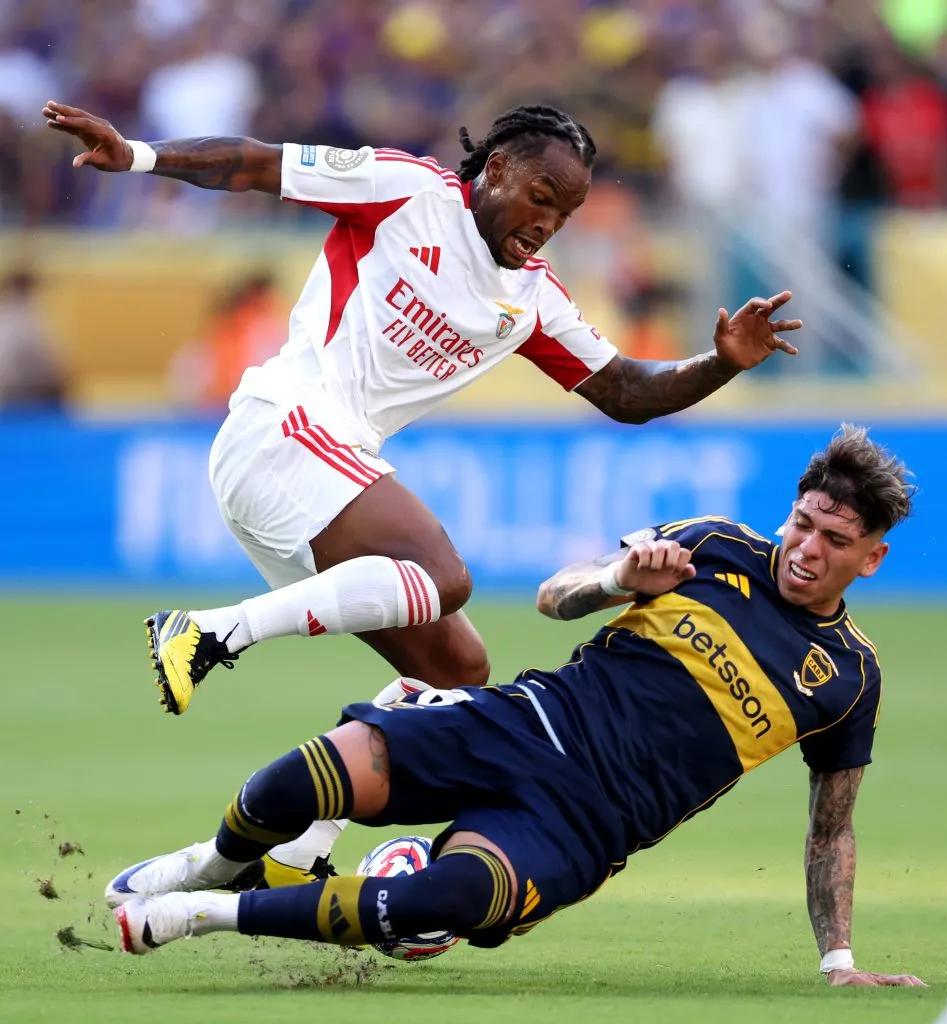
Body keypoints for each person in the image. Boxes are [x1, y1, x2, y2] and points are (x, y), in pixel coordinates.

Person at [43, 99, 801, 881]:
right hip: (281, 427)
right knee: (445, 579)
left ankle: (282, 854)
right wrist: (136, 156)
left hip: (319, 473)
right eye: (542, 197)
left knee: (456, 670)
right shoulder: (406, 191)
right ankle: (208, 633)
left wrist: (721, 363)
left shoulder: (531, 299)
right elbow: (256, 163)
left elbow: (625, 392)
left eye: (566, 212)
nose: (548, 222)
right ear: (496, 168)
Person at [106, 425, 924, 989]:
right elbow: (554, 595)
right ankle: (216, 861)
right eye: (801, 522)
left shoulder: (847, 679)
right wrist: (616, 582)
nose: (805, 548)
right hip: (527, 722)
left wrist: (838, 959)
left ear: (872, 558)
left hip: (586, 826)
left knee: (444, 903)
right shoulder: (712, 546)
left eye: (834, 540)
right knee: (295, 785)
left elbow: (832, 828)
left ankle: (202, 913)